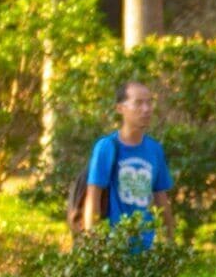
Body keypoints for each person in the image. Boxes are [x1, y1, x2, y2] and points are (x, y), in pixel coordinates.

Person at [72, 76, 174, 244]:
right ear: (120, 108)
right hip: (114, 249)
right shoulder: (106, 147)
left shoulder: (155, 149)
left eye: (149, 103)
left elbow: (161, 198)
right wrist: (93, 245)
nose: (146, 109)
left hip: (145, 249)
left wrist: (170, 241)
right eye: (139, 103)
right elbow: (93, 198)